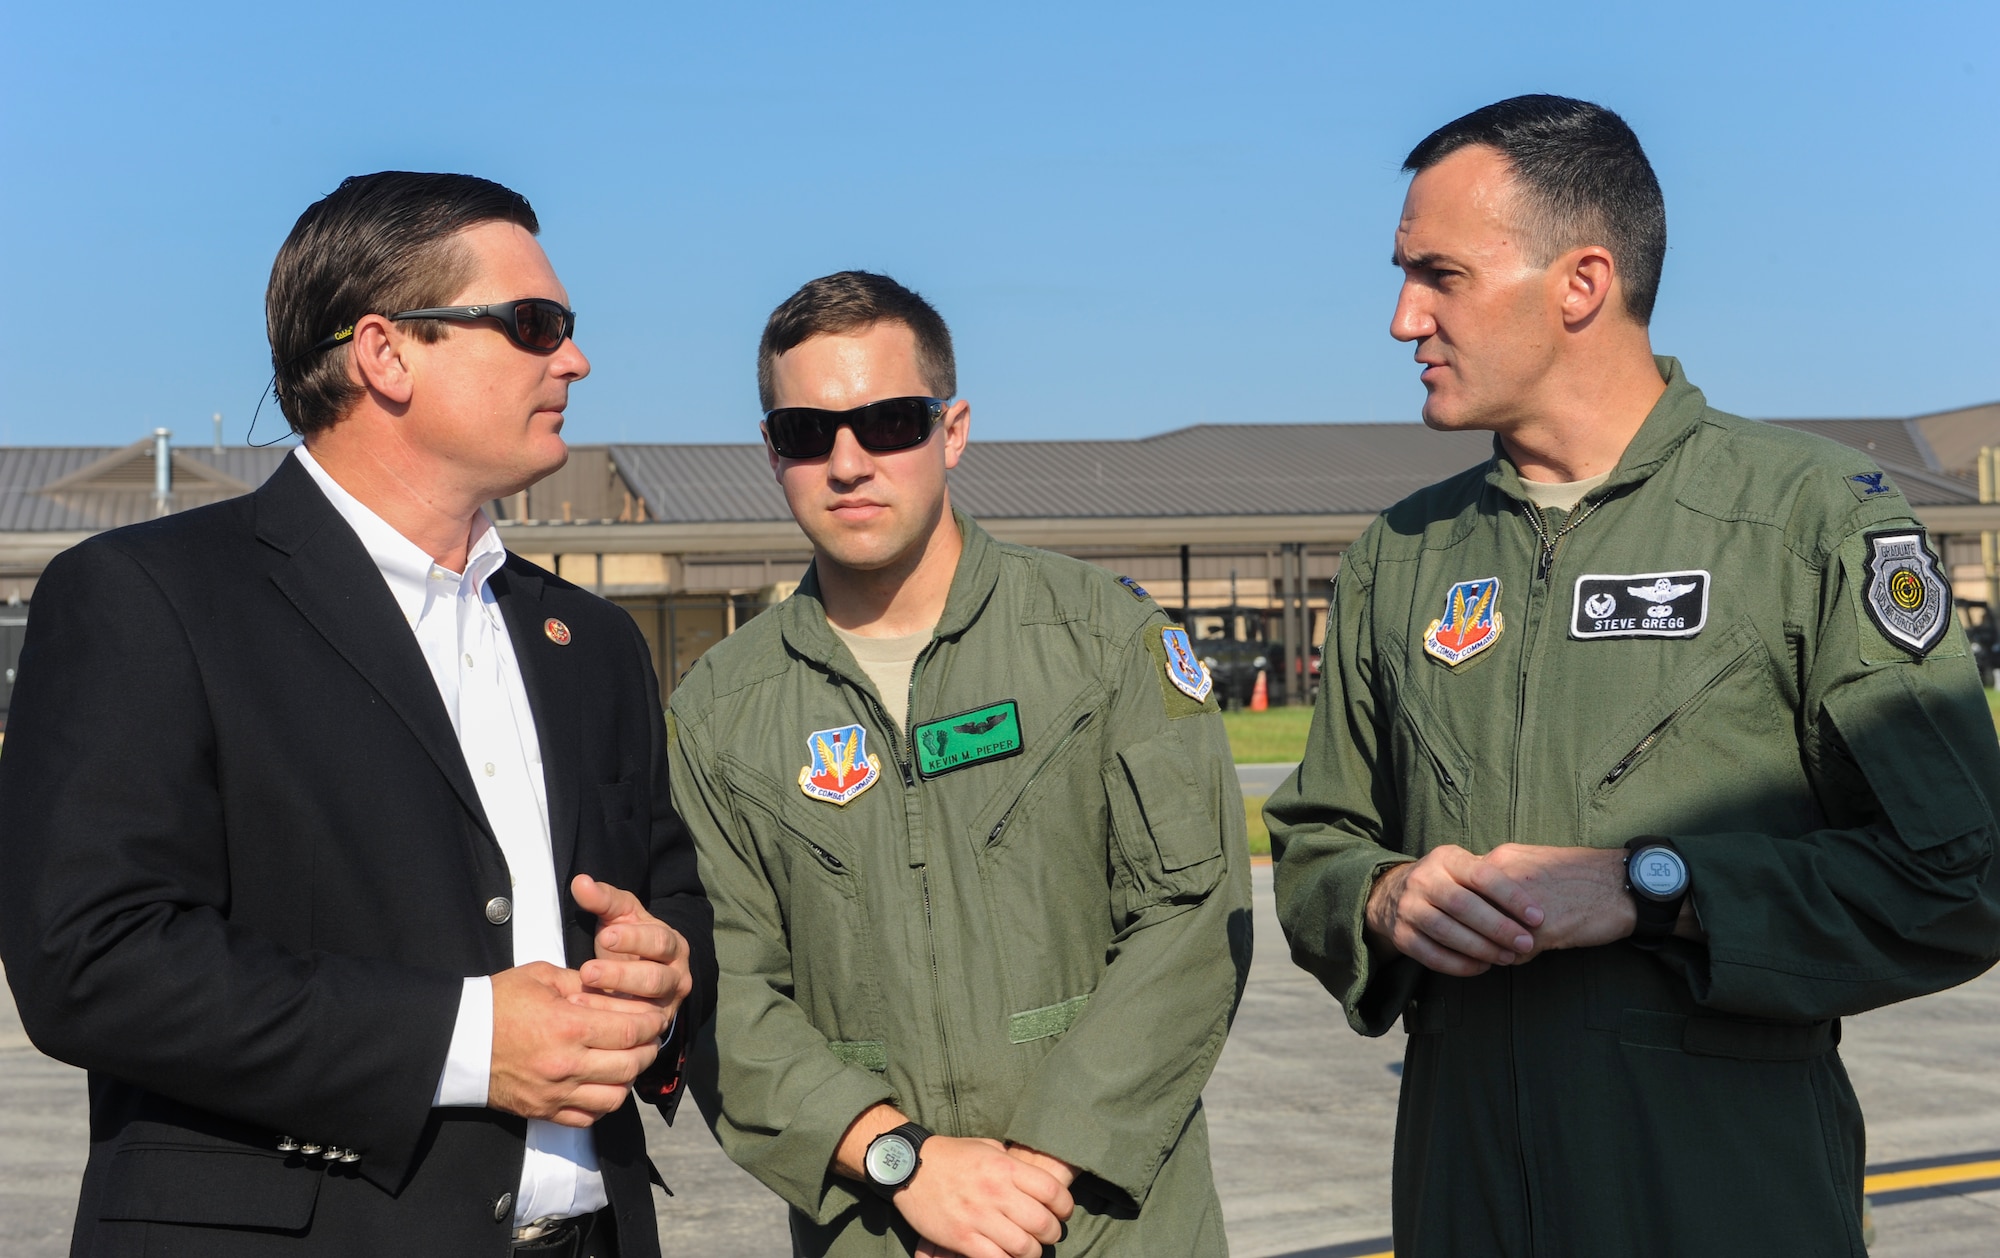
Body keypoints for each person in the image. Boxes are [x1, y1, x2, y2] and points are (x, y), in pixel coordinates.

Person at [1267, 96, 2000, 1258]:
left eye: (1439, 275)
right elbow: (1315, 837)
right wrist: (1378, 896)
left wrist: (1652, 888)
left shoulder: (1803, 520)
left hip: (1722, 1205)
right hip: (1465, 1204)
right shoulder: (1399, 555)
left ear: (1580, 282)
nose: (1403, 317)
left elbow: (1958, 878)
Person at [0, 171, 715, 1257]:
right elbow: (93, 959)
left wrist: (660, 978)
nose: (572, 359)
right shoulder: (149, 598)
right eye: (533, 325)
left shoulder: (591, 643)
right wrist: (473, 1038)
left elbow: (669, 902)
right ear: (385, 354)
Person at [668, 271, 1252, 1257]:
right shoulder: (715, 716)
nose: (847, 462)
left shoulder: (1103, 642)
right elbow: (724, 993)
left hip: (1107, 1223)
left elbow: (1190, 919)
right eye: (807, 434)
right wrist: (902, 1162)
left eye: (889, 420)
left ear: (953, 429)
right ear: (771, 452)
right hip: (879, 1226)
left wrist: (1032, 1171)